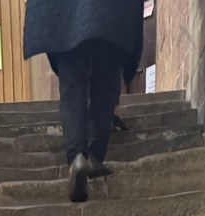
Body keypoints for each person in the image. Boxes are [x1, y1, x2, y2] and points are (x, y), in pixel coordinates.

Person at [23, 0, 144, 203]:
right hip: (111, 12)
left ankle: (77, 157)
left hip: (64, 14)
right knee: (106, 80)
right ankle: (95, 155)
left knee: (72, 84)